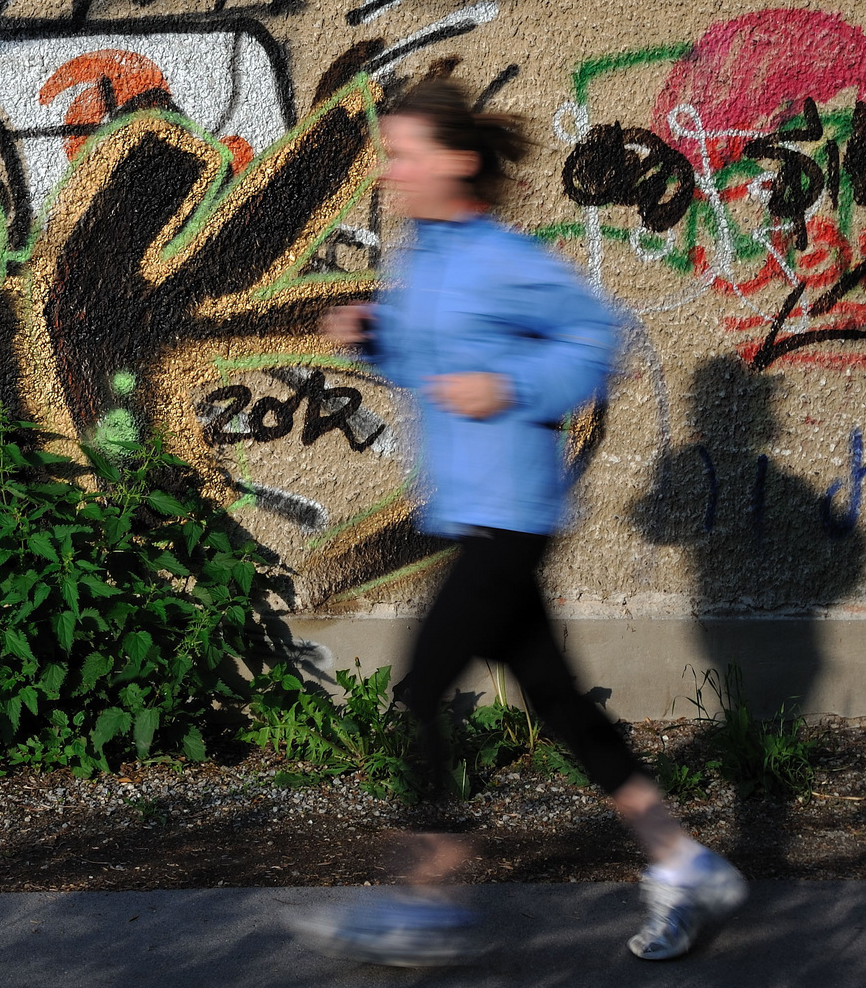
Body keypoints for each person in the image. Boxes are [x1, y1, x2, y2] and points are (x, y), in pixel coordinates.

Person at [303, 78, 746, 966]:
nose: (389, 173)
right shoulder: (423, 257)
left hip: (509, 515)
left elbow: (595, 340)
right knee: (556, 701)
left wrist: (512, 388)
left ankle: (428, 895)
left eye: (403, 155)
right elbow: (437, 354)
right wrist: (373, 337)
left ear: (456, 162)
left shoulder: (505, 258)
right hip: (469, 513)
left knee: (425, 685)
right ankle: (683, 861)